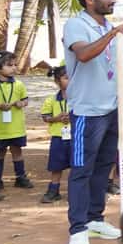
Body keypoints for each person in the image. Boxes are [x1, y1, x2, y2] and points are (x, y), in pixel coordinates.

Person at [64, 0, 123, 244]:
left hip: (111, 108)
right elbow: (83, 55)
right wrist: (112, 34)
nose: (112, 0)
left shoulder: (107, 25)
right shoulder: (76, 25)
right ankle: (78, 230)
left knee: (103, 167)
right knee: (82, 170)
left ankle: (95, 218)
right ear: (89, 0)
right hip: (87, 110)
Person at [0, 49, 32, 189]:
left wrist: (21, 103)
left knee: (17, 152)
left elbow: (25, 100)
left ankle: (20, 177)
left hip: (16, 127)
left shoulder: (18, 84)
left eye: (14, 65)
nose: (14, 68)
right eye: (10, 65)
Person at [40, 67, 71, 204]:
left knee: (78, 165)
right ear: (57, 81)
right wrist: (56, 118)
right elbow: (45, 117)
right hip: (59, 137)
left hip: (76, 137)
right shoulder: (51, 100)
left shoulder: (80, 98)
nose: (70, 81)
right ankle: (53, 190)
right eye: (66, 78)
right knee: (56, 166)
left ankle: (76, 190)